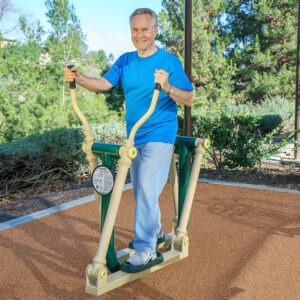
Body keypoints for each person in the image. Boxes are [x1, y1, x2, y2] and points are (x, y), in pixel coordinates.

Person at [64, 8, 193, 267]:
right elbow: (103, 84)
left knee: (146, 185)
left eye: (145, 29)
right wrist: (78, 78)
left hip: (160, 133)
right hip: (135, 136)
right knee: (141, 190)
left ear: (155, 31)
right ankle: (155, 232)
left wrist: (167, 87)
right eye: (135, 30)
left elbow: (189, 98)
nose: (139, 35)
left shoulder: (168, 62)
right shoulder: (125, 60)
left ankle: (145, 249)